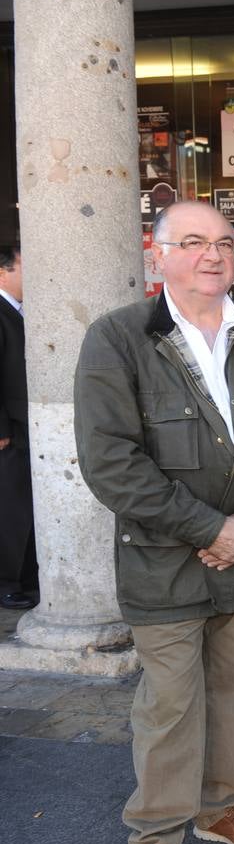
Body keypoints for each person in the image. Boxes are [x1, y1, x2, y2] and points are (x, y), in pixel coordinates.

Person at [73, 201, 234, 844]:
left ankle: (222, 806)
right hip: (164, 560)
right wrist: (210, 529)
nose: (213, 255)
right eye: (194, 242)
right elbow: (110, 463)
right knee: (171, 704)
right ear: (157, 256)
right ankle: (156, 836)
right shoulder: (116, 339)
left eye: (225, 243)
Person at [0, 247, 38, 610]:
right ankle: (6, 581)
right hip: (8, 431)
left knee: (24, 505)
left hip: (26, 427)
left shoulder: (20, 311)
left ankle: (25, 576)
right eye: (26, 265)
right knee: (8, 508)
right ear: (3, 272)